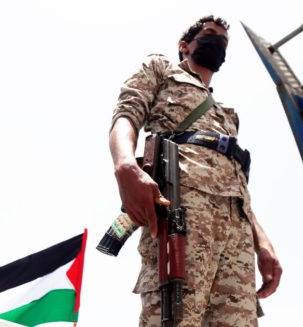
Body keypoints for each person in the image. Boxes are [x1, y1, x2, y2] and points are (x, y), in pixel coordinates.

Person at [109, 15, 282, 326]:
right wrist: (124, 164)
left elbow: (238, 183)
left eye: (223, 40)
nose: (217, 41)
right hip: (183, 209)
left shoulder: (227, 116)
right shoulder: (161, 69)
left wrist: (262, 242)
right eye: (209, 34)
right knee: (176, 316)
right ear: (184, 45)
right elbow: (127, 113)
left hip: (236, 231)